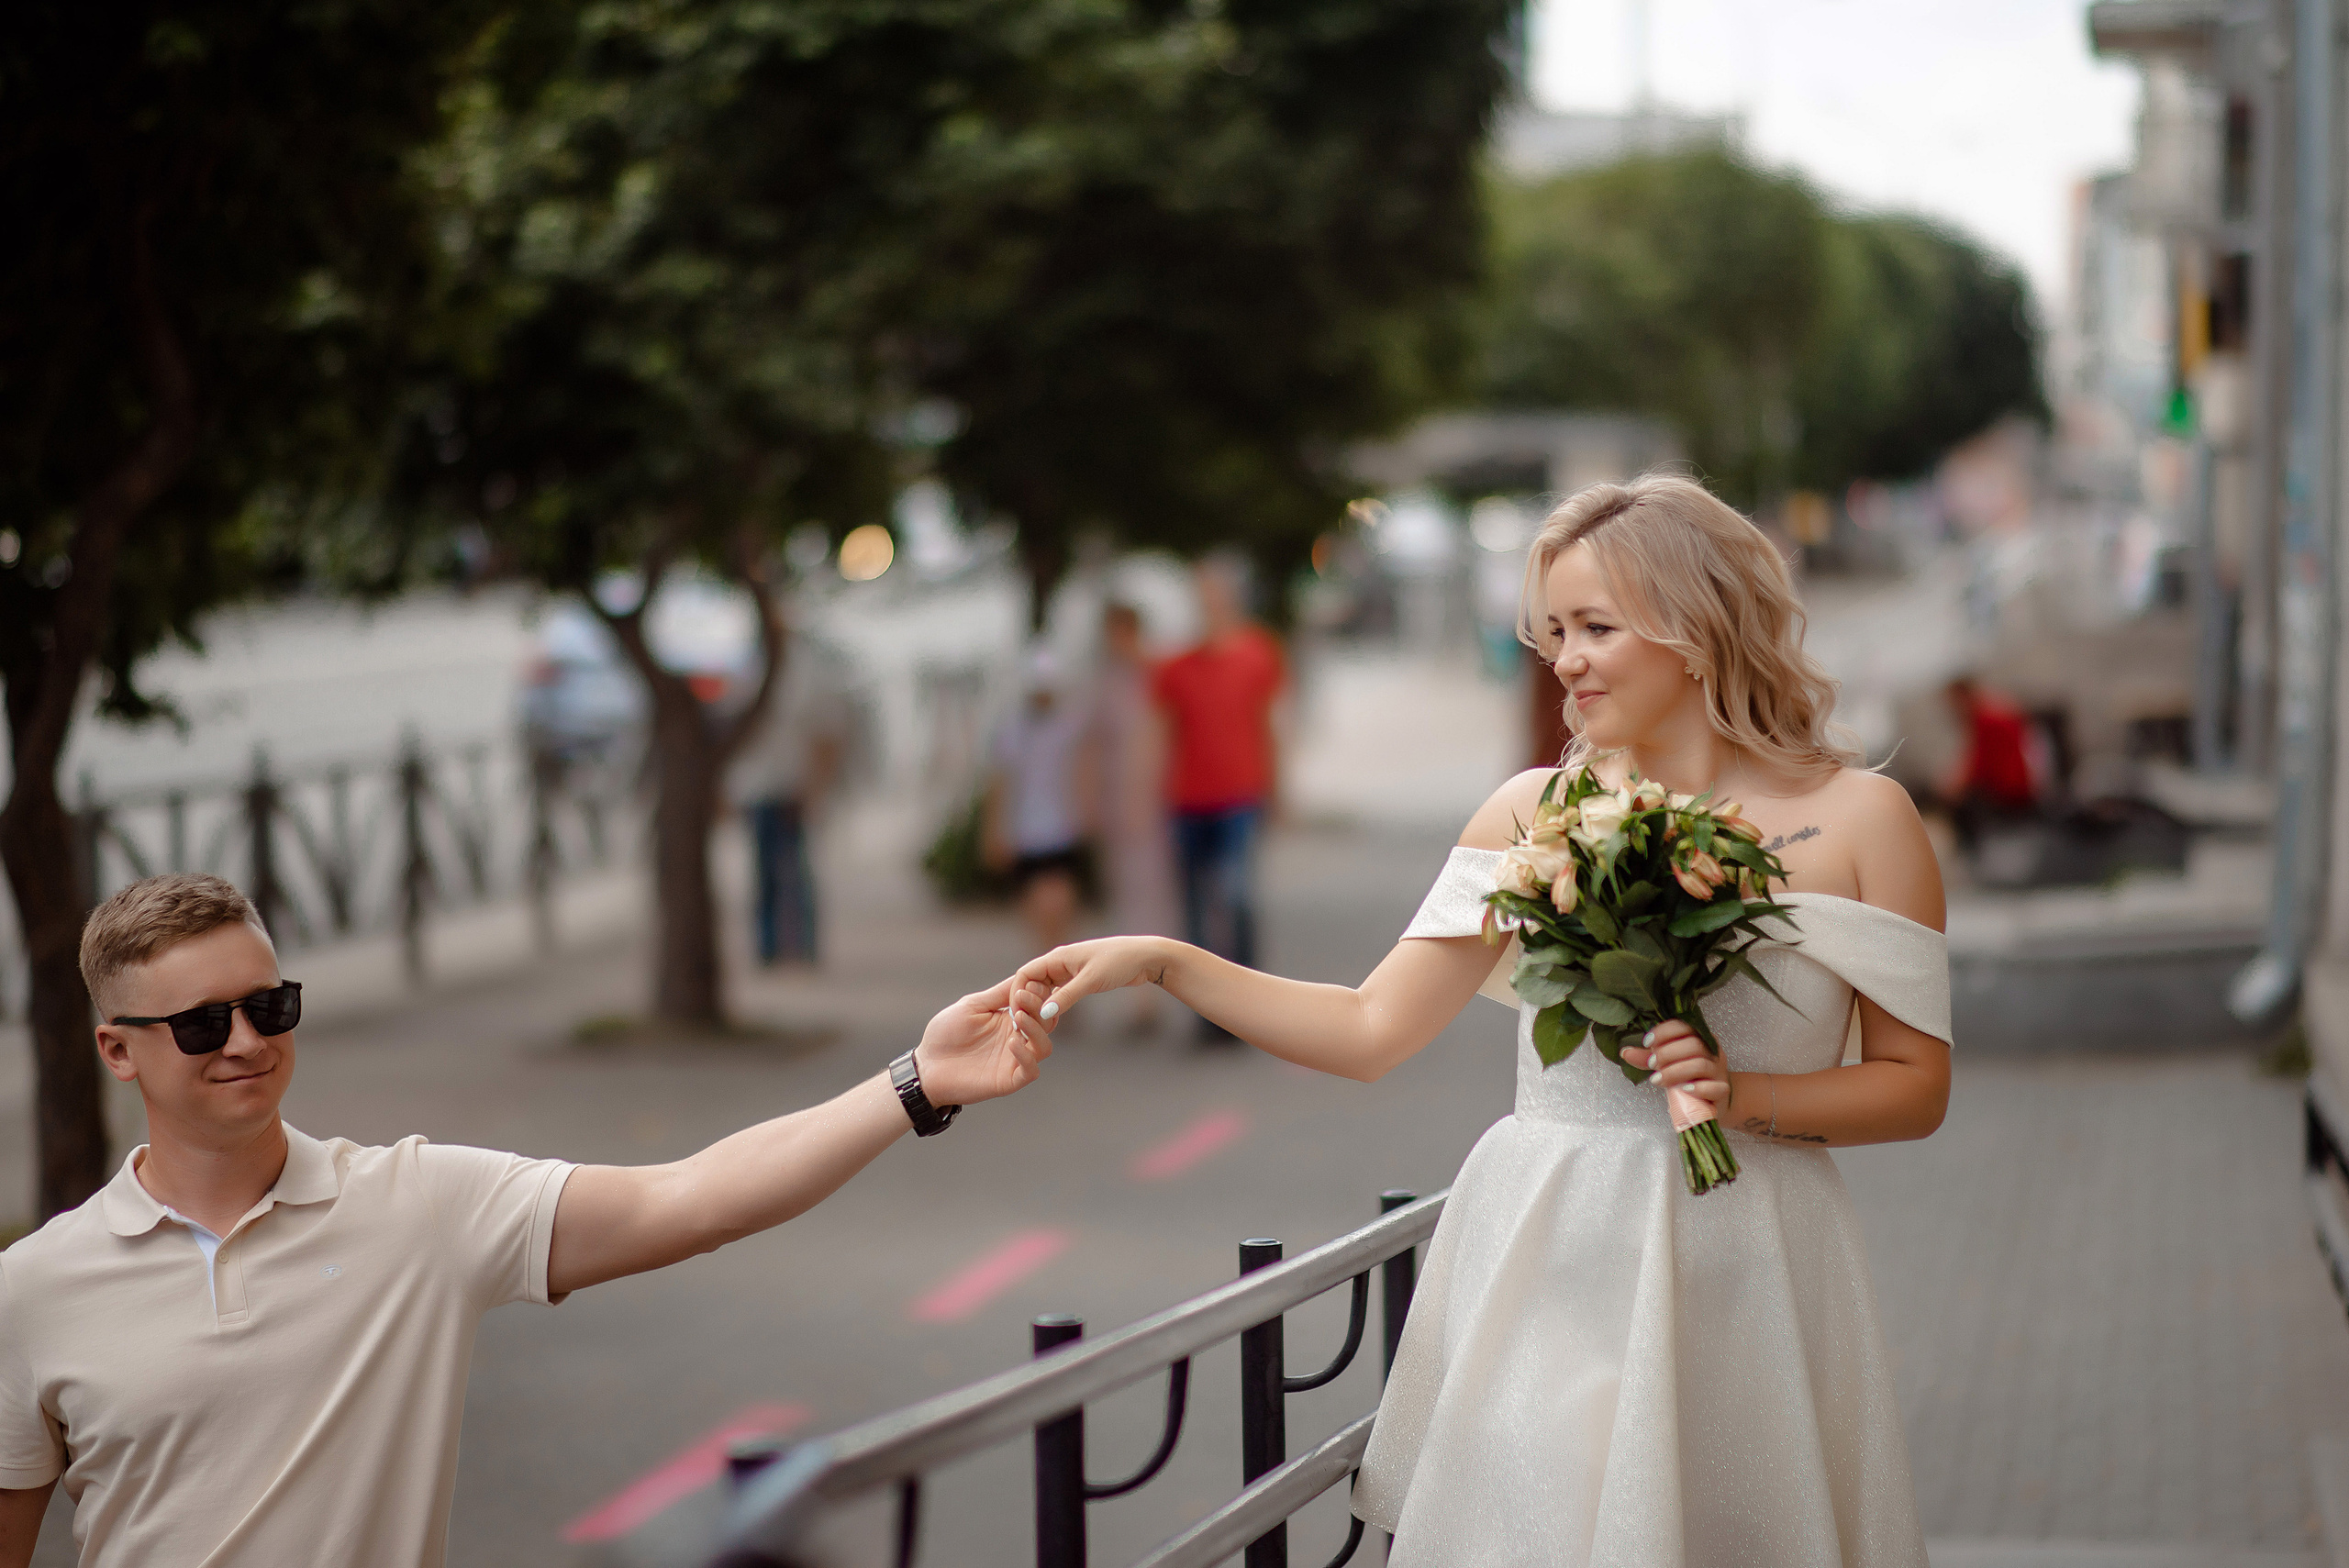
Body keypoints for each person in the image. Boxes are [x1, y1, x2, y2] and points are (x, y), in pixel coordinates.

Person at [1011, 475, 1953, 1565]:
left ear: (1696, 626)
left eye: (1596, 625)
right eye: (1554, 630)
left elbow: (1913, 1084)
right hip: (1553, 1257)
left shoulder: (1862, 819)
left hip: (1756, 1267)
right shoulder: (1527, 812)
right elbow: (1371, 1026)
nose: (1565, 659)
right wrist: (1166, 961)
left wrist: (1745, 1097)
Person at [0, 873, 1049, 1568]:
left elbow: (691, 1196)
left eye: (268, 1006)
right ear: (116, 1049)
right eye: (198, 1023)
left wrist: (917, 1082)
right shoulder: (35, 1289)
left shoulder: (415, 1205)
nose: (244, 1041)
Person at [1152, 557, 1286, 1040]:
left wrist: (1278, 789)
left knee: (1237, 896)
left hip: (1238, 797)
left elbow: (1269, 726)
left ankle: (1248, 1001)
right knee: (1192, 909)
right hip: (1187, 800)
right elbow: (1161, 736)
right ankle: (1207, 1013)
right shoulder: (1175, 666)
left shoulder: (1256, 654)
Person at [726, 627, 852, 965]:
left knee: (796, 873)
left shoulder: (804, 672)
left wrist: (816, 789)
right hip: (757, 789)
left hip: (791, 787)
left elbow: (826, 736)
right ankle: (769, 950)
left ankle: (803, 949)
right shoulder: (746, 671)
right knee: (765, 873)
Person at [1087, 602, 1180, 1034]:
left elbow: (1164, 739)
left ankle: (1150, 995)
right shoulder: (1109, 682)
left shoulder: (1155, 676)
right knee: (1130, 898)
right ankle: (1141, 994)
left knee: (1151, 899)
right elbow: (1095, 743)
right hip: (1121, 800)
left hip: (1155, 801)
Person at [985, 648, 1097, 960]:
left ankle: (1061, 976)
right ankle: (1049, 977)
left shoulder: (1068, 726)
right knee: (1038, 910)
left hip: (1061, 827)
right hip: (1027, 832)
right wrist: (996, 831)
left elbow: (1083, 770)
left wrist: (1086, 813)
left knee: (1060, 906)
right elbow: (1002, 784)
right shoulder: (1013, 730)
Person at [1942, 673, 2041, 852]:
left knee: (1958, 805)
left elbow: (1975, 764)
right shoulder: (1995, 709)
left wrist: (1951, 789)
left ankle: (1975, 856)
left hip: (2010, 790)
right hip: (2019, 784)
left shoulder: (1986, 718)